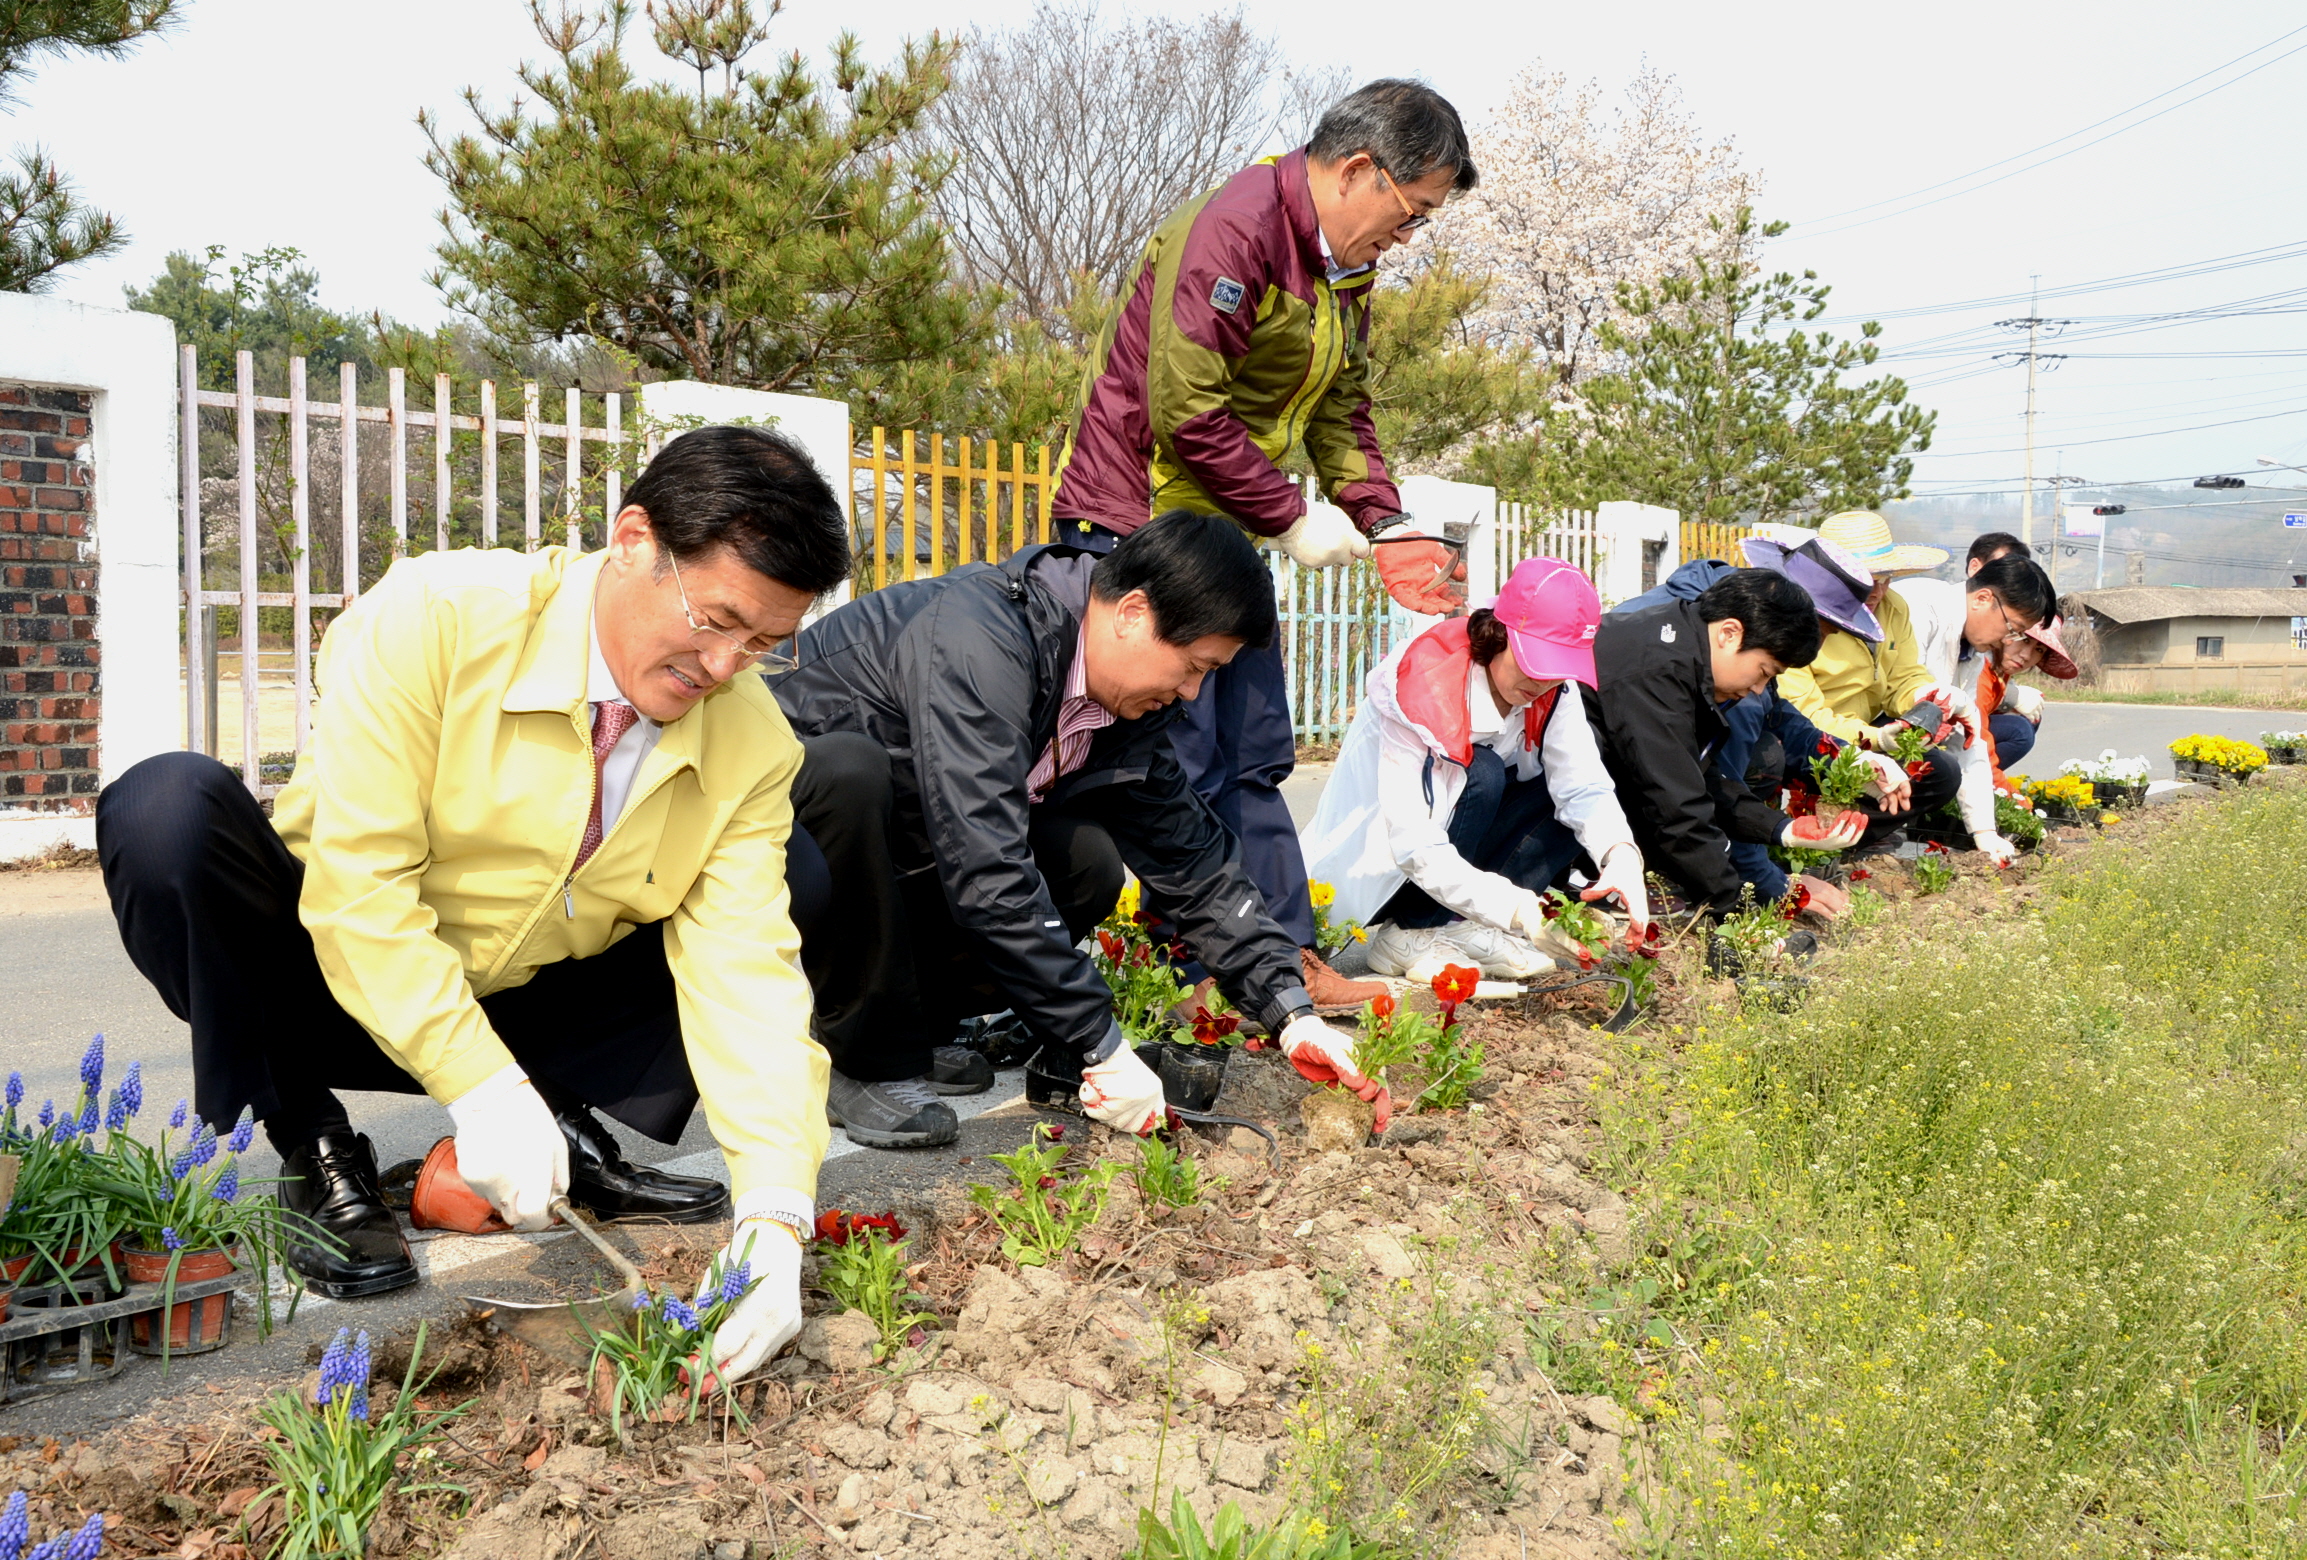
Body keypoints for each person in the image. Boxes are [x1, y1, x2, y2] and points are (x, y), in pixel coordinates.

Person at [95, 427, 851, 1387]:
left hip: (534, 998)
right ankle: (312, 1141)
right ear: (631, 542)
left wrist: (776, 1219)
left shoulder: (750, 739)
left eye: (765, 646)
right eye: (716, 619)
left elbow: (746, 974)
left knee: (804, 881)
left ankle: (558, 1119)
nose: (725, 666)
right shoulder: (438, 618)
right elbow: (360, 889)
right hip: (337, 977)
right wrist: (482, 1090)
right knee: (165, 813)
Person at [1048, 78, 1479, 1011]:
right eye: (1408, 216)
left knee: (1252, 751)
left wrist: (1383, 520)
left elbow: (1341, 407)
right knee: (1172, 762)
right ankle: (1181, 976)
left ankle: (1279, 961)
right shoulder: (1236, 228)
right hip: (1138, 526)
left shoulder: (1344, 267)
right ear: (1359, 170)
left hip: (1225, 529)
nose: (1403, 241)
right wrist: (1287, 515)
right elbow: (1185, 410)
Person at [770, 511, 1388, 1149]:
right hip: (783, 856)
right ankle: (862, 1055)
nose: (1193, 693)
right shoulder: (981, 638)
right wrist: (1101, 1042)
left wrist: (1290, 1012)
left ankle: (907, 1029)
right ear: (1133, 614)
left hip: (907, 855)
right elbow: (988, 866)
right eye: (1196, 666)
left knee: (1082, 861)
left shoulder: (1119, 701)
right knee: (851, 775)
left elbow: (1195, 866)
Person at [1300, 557, 1648, 981]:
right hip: (1385, 863)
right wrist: (1521, 911)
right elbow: (1414, 843)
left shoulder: (1555, 691)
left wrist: (1622, 856)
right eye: (1534, 663)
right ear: (1500, 633)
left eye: (1557, 670)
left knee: (1565, 791)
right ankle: (1412, 930)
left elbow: (1584, 786)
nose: (1542, 683)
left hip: (1455, 861)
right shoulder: (1422, 682)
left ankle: (1462, 924)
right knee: (1480, 770)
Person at [1583, 569, 1874, 919]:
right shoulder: (1657, 670)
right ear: (1729, 633)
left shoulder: (1683, 648)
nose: (1757, 689)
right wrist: (1735, 913)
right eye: (1765, 671)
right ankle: (1571, 886)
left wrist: (1782, 829)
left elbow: (1695, 774)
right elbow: (1677, 806)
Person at [1776, 511, 1974, 852]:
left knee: (1940, 772)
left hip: (1867, 735)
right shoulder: (1799, 615)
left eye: (1887, 577)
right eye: (1866, 579)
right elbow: (1804, 716)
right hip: (1810, 741)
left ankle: (1850, 838)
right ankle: (1802, 842)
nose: (1878, 590)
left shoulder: (1893, 606)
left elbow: (1903, 675)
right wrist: (1877, 739)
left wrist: (1926, 695)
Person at [1894, 549, 2075, 861]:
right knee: (1939, 767)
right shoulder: (1921, 609)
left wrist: (1985, 833)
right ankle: (1873, 836)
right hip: (1852, 723)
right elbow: (1904, 696)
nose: (2010, 641)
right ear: (1982, 599)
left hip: (1896, 727)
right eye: (2014, 629)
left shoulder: (1974, 652)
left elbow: (1970, 741)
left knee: (1947, 766)